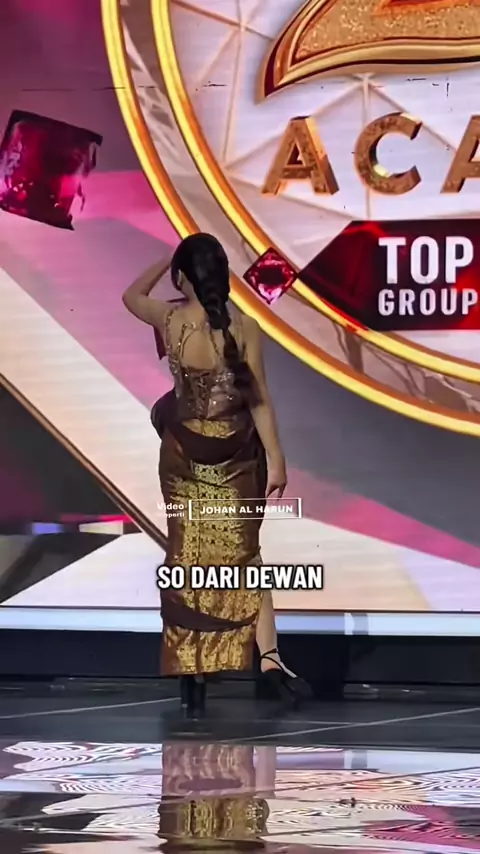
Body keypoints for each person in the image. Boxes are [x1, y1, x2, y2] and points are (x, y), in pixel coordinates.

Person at [122, 233, 308, 712]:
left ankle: (193, 670)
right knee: (244, 559)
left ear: (183, 278)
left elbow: (130, 296)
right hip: (237, 459)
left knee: (187, 559)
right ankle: (269, 661)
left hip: (182, 459)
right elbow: (259, 400)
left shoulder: (170, 319)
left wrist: (165, 260)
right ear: (223, 277)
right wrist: (277, 457)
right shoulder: (244, 327)